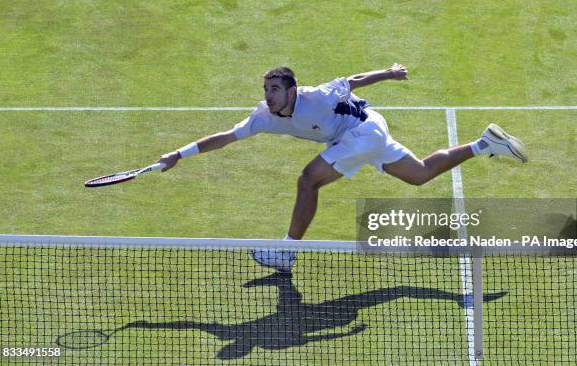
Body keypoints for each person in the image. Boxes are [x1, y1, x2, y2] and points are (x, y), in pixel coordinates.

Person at [158, 64, 527, 271]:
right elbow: (225, 137)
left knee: (308, 180)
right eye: (265, 88)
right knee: (420, 173)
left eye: (274, 88)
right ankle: (484, 144)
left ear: (292, 90)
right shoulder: (264, 117)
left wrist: (390, 73)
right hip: (360, 136)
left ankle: (286, 251)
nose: (268, 94)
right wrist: (179, 153)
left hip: (365, 130)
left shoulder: (316, 97)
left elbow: (352, 81)